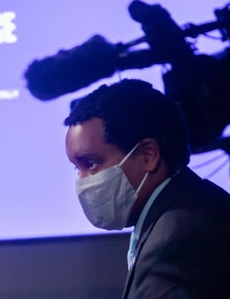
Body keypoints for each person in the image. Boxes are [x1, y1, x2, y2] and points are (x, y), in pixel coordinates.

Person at [64, 78, 230, 298]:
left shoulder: (173, 242)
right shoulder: (198, 204)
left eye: (91, 164)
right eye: (77, 169)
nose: (82, 182)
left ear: (148, 154)